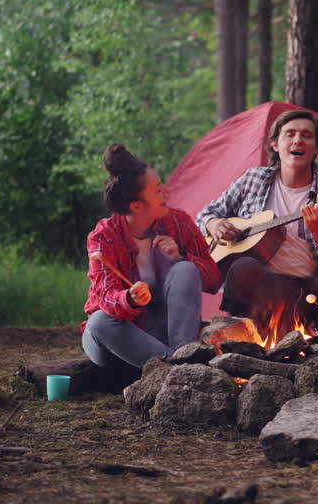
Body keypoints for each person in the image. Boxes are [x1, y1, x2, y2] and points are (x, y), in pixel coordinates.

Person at [197, 109, 318, 338]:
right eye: (290, 134)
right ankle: (244, 336)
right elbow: (206, 214)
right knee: (242, 267)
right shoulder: (253, 179)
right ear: (275, 144)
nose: (298, 140)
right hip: (264, 290)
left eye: (307, 135)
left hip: (309, 292)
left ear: (317, 148)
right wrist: (214, 223)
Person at [83, 144, 221, 372]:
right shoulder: (104, 236)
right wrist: (130, 299)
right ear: (137, 206)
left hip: (163, 335)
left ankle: (182, 358)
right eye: (158, 191)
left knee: (185, 268)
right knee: (98, 322)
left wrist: (180, 256)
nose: (167, 192)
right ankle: (182, 369)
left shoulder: (178, 222)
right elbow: (106, 297)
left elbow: (214, 280)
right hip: (121, 341)